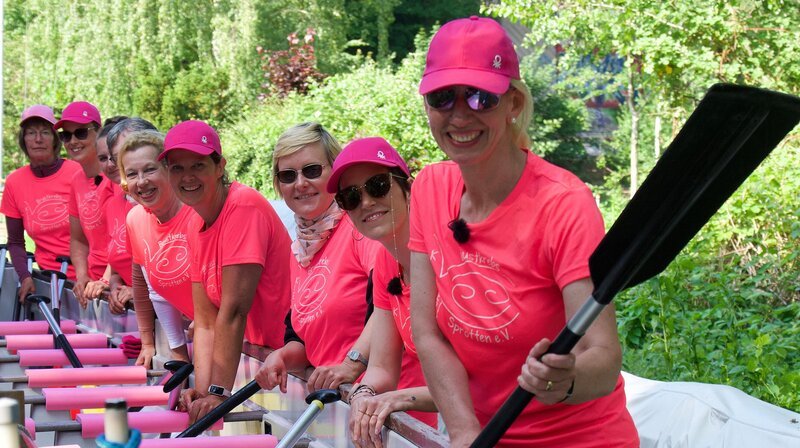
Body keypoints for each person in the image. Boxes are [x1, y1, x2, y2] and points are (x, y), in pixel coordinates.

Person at [409, 17, 639, 447]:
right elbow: (426, 331)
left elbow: (604, 362)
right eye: (442, 97)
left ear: (513, 103)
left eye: (481, 98)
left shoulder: (563, 205)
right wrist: (463, 432)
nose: (460, 115)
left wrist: (565, 379)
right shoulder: (428, 189)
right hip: (486, 438)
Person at [160, 120, 291, 423]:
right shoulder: (194, 221)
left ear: (220, 166)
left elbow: (233, 311)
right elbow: (205, 321)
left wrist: (218, 392)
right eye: (177, 168)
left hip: (287, 356)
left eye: (198, 165)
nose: (187, 177)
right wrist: (204, 390)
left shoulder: (243, 207)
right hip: (260, 357)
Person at [326, 137, 438, 447]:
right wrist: (364, 394)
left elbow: (479, 383)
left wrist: (400, 398)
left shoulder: (443, 255)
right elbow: (381, 368)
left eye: (377, 186)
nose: (365, 202)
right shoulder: (385, 262)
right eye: (350, 197)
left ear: (407, 185)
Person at [253, 123, 379, 396]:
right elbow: (304, 339)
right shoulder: (299, 250)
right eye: (287, 175)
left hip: (385, 405)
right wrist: (283, 357)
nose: (300, 184)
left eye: (312, 171)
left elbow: (391, 306)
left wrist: (351, 364)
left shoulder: (361, 227)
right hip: (338, 400)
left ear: (336, 172)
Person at [118, 130, 194, 366]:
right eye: (132, 174)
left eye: (149, 169)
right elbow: (151, 289)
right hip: (197, 332)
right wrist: (165, 347)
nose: (141, 181)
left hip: (242, 333)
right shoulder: (135, 219)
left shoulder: (198, 212)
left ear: (169, 170)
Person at [1, 105, 82, 301]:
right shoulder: (15, 182)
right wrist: (25, 276)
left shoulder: (77, 172)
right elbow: (16, 242)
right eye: (31, 133)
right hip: (49, 281)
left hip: (87, 280)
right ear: (23, 139)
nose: (38, 139)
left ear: (56, 139)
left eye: (45, 132)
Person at [85, 118, 159, 314]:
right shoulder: (113, 204)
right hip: (139, 314)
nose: (113, 163)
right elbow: (118, 263)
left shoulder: (162, 205)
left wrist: (140, 292)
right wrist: (113, 286)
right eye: (106, 158)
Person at [58, 101, 113, 307]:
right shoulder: (76, 181)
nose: (72, 141)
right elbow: (78, 239)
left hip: (120, 281)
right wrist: (82, 276)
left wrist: (107, 279)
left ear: (98, 133)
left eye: (81, 133)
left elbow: (127, 239)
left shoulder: (114, 177)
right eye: (65, 135)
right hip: (95, 285)